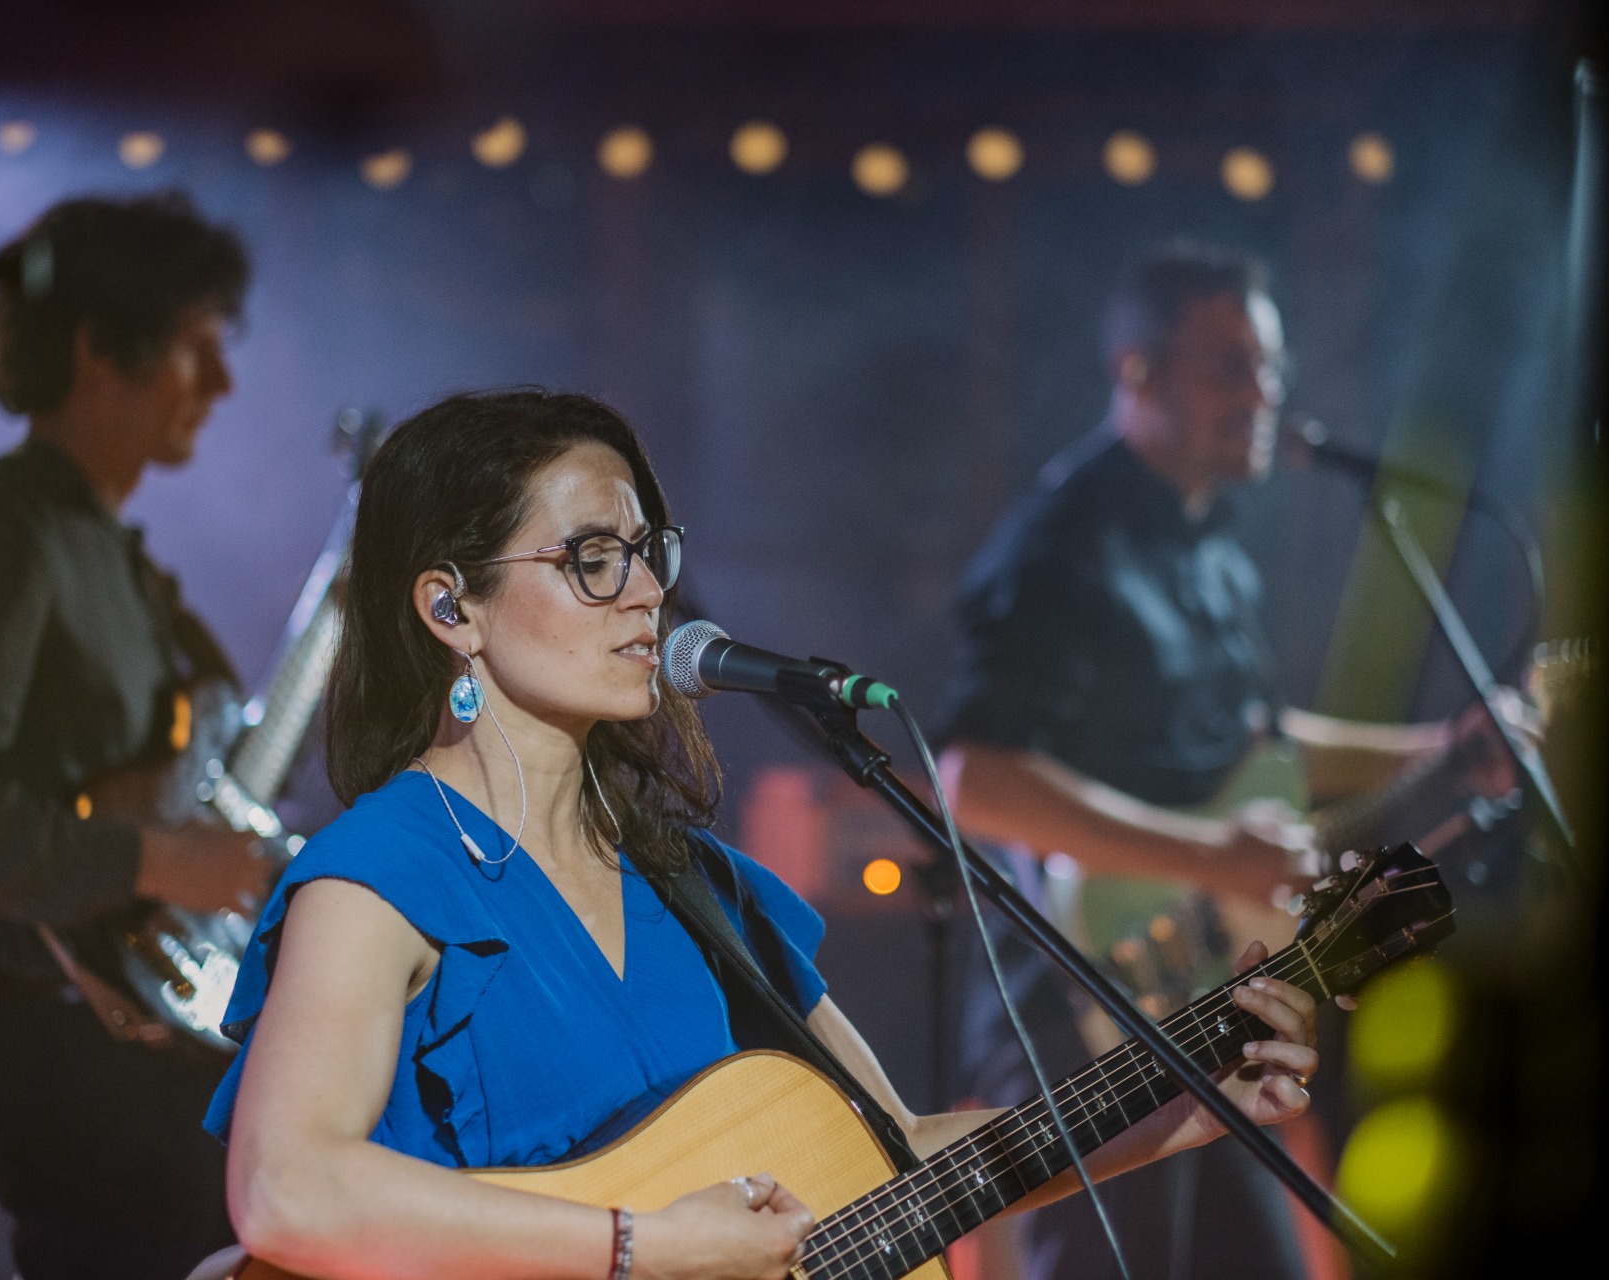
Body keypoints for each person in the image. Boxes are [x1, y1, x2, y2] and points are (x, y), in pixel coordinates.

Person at [205, 388, 1323, 1280]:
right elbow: (285, 1191)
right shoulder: (380, 872)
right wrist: (644, 1246)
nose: (646, 593)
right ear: (452, 608)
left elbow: (891, 1154)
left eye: (648, 550)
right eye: (591, 557)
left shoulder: (692, 884)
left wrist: (1184, 1106)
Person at [939, 243, 1491, 1280]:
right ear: (1138, 373)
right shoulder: (1061, 546)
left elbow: (1264, 748)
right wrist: (1212, 856)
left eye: (1271, 367)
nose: (1264, 394)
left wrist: (1443, 751)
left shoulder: (1215, 546)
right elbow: (976, 778)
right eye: (1231, 367)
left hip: (1207, 1006)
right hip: (1079, 1006)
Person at [0, 192, 270, 1280]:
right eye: (195, 347)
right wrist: (162, 860)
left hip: (143, 1063)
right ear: (98, 348)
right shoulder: (6, 534)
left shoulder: (110, 555)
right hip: (78, 1070)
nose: (220, 384)